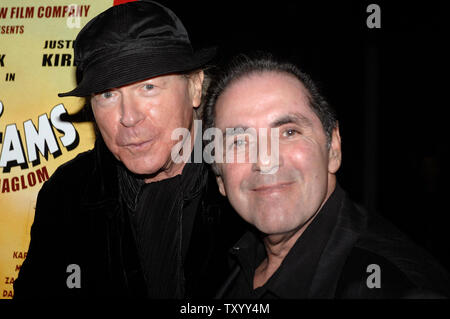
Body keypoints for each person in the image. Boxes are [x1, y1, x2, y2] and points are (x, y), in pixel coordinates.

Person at [13, 0, 243, 299]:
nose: (129, 117)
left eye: (148, 87)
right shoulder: (67, 194)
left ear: (195, 87)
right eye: (107, 94)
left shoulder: (248, 178)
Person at [203, 53, 450, 298]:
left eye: (289, 132)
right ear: (220, 178)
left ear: (333, 149)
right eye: (239, 142)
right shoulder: (237, 264)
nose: (265, 160)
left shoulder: (392, 286)